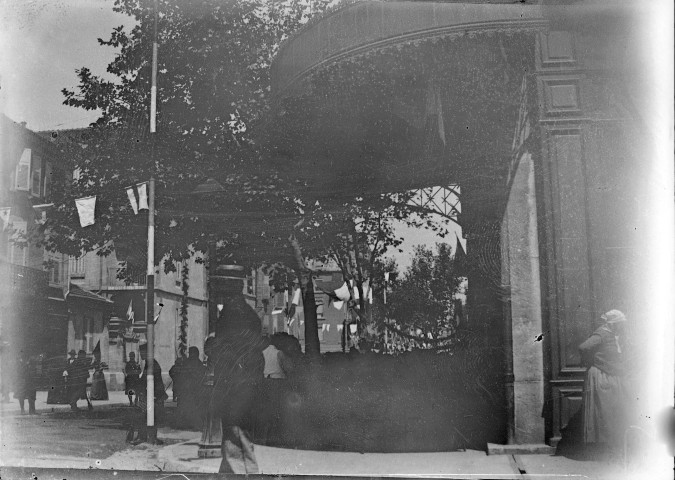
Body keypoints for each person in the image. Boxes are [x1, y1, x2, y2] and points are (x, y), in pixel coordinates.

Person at [209, 294, 267, 474]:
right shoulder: (254, 352)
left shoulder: (239, 353)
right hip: (240, 401)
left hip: (236, 403)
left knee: (239, 451)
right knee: (234, 447)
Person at [578, 309, 632, 455]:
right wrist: (594, 362)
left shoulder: (614, 334)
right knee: (603, 409)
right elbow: (583, 347)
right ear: (613, 323)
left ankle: (611, 445)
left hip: (612, 375)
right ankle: (600, 446)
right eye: (619, 323)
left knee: (612, 410)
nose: (621, 326)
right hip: (601, 376)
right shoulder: (602, 333)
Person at [126, 343, 168, 444]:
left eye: (142, 352)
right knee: (151, 416)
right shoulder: (150, 363)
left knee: (144, 415)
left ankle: (143, 437)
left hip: (153, 394)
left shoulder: (151, 364)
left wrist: (137, 385)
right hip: (153, 394)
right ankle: (151, 437)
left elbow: (146, 379)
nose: (140, 354)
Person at [180, 346, 206, 429]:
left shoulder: (186, 362)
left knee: (188, 406)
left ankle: (187, 424)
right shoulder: (199, 363)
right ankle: (194, 424)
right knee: (195, 406)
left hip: (188, 388)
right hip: (195, 388)